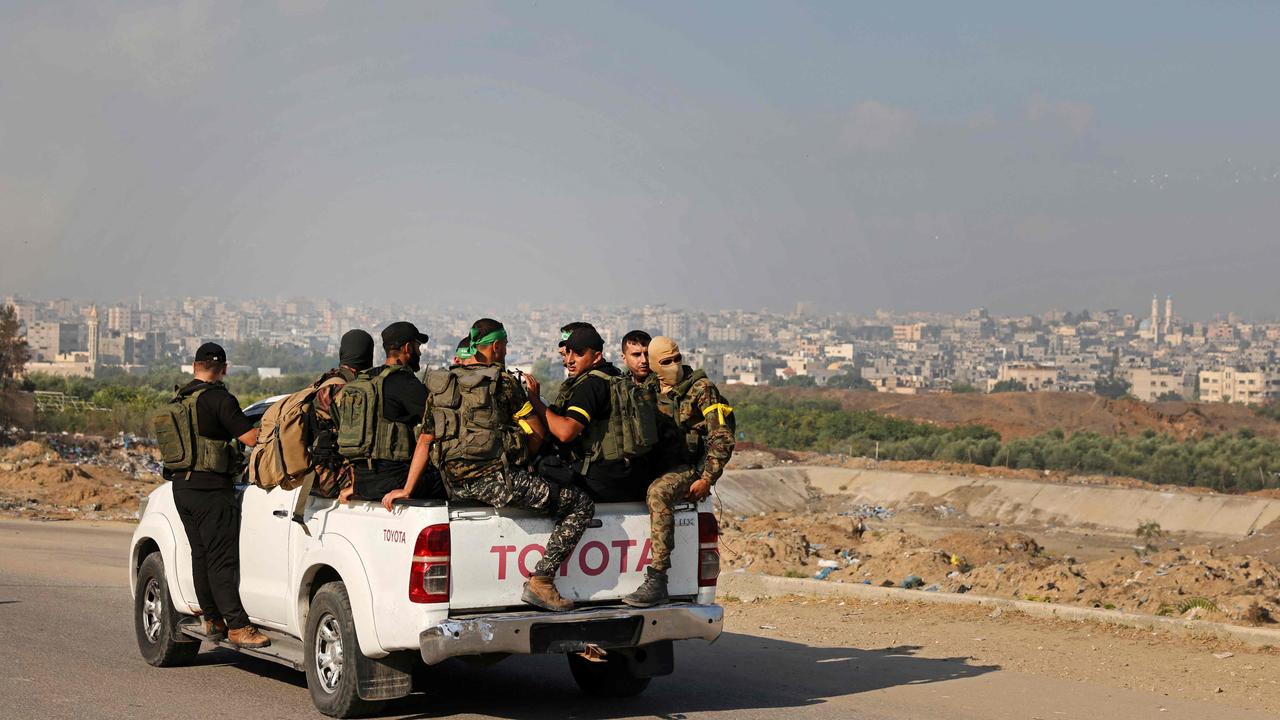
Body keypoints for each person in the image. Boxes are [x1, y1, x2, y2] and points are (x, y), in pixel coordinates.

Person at [393, 319, 594, 612]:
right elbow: (537, 431)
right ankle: (542, 581)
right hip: (495, 483)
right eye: (505, 345)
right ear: (497, 347)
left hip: (454, 484)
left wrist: (407, 489)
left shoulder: (442, 384)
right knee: (580, 504)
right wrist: (524, 462)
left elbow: (425, 439)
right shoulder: (502, 383)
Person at [164, 343, 271, 647]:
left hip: (182, 488)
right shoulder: (220, 399)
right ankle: (238, 626)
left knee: (201, 555)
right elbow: (251, 438)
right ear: (223, 368)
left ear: (195, 366)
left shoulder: (181, 398)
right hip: (211, 490)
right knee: (221, 561)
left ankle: (212, 619)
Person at [623, 336, 736, 607]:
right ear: (652, 364)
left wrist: (707, 478)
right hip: (655, 462)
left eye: (676, 359)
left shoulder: (701, 389)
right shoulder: (647, 387)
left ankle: (658, 577)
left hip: (687, 468)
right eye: (665, 362)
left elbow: (722, 437)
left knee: (658, 493)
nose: (673, 366)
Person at [526, 325, 645, 502]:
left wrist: (534, 400)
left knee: (543, 469)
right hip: (626, 476)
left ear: (596, 357)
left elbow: (566, 432)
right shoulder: (614, 376)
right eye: (568, 353)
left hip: (600, 480)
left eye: (579, 354)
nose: (570, 360)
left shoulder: (590, 385)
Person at [339, 322, 430, 503]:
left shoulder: (365, 380)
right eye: (418, 347)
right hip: (394, 479)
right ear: (407, 348)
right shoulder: (404, 381)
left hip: (363, 482)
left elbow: (356, 437)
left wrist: (357, 485)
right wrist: (406, 490)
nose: (419, 353)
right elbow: (431, 432)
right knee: (452, 484)